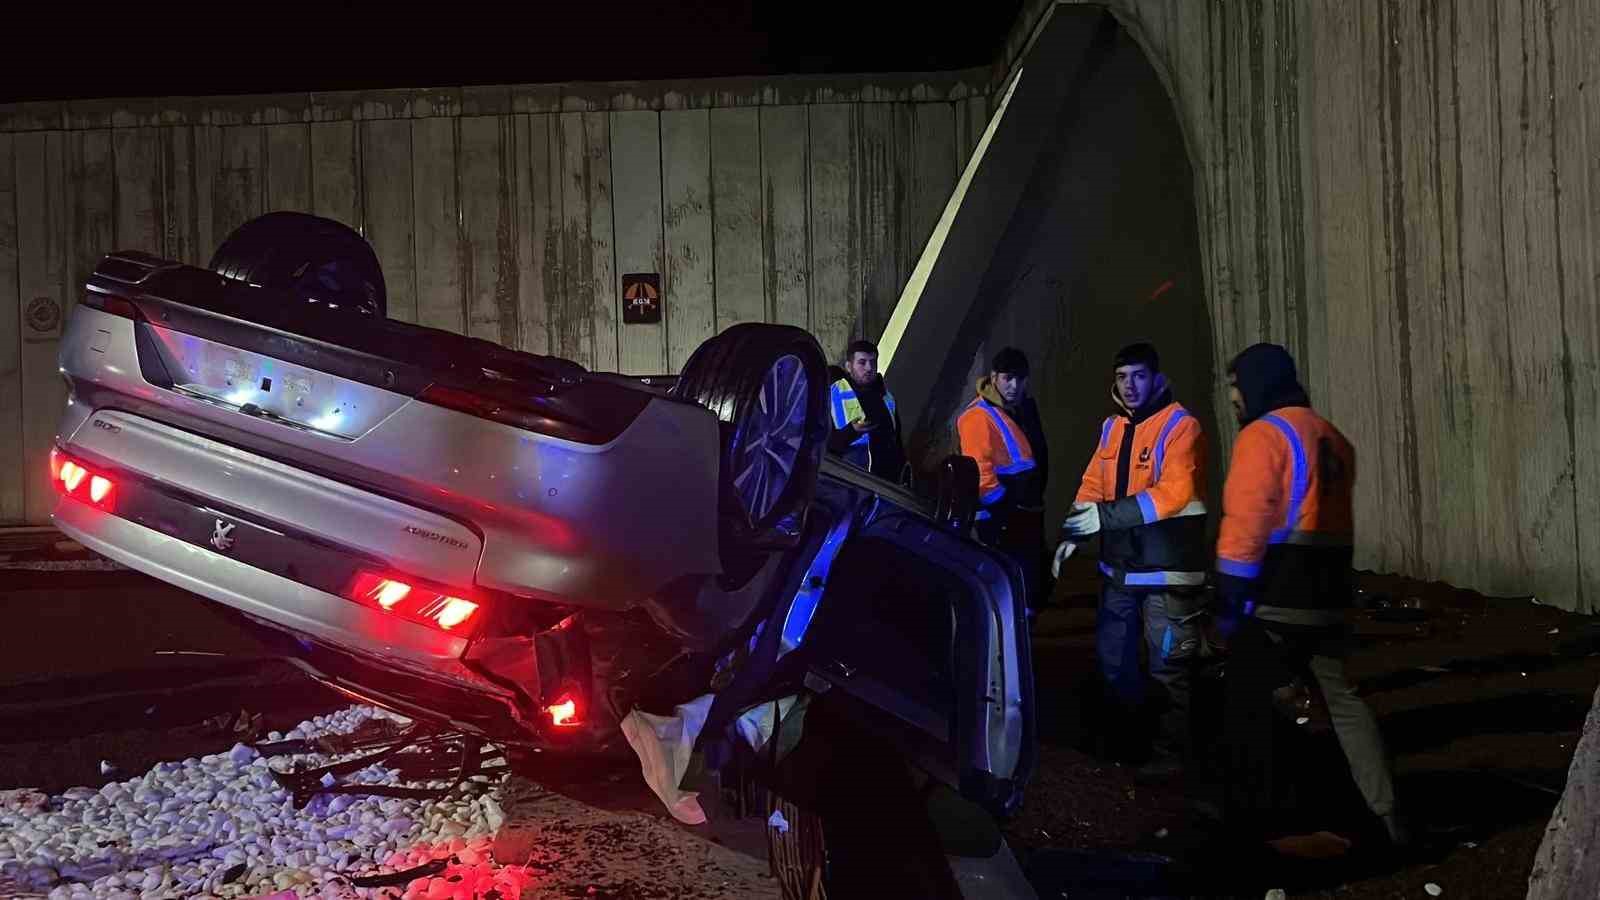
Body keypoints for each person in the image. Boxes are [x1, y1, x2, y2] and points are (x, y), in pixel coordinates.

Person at [1210, 342, 1403, 855]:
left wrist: (1230, 606)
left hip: (1280, 596)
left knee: (1249, 703)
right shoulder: (1332, 436)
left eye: (1235, 385)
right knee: (1344, 702)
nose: (1232, 397)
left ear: (1257, 383)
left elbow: (1245, 530)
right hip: (1331, 594)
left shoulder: (1263, 437)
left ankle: (1268, 821)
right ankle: (1385, 815)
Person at [1057, 342, 1209, 773]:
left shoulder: (1181, 426)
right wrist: (1073, 531)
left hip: (1166, 572)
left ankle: (1169, 758)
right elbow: (1092, 483)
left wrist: (1101, 520)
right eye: (1122, 377)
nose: (1129, 386)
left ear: (1156, 378)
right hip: (1120, 572)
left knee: (1168, 670)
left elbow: (1175, 493)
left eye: (1138, 376)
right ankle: (1129, 747)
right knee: (1114, 663)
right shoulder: (1112, 428)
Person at [957, 347, 1051, 611]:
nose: (1014, 385)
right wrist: (1005, 511)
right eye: (1007, 378)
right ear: (994, 377)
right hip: (1002, 520)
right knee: (1011, 591)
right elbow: (981, 474)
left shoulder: (1021, 408)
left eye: (1020, 379)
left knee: (1028, 587)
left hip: (1024, 513)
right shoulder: (978, 415)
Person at [826, 340, 907, 483]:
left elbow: (897, 443)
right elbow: (821, 445)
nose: (869, 368)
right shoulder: (833, 394)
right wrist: (851, 431)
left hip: (888, 486)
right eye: (862, 362)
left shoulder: (887, 397)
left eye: (873, 362)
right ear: (849, 366)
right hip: (850, 485)